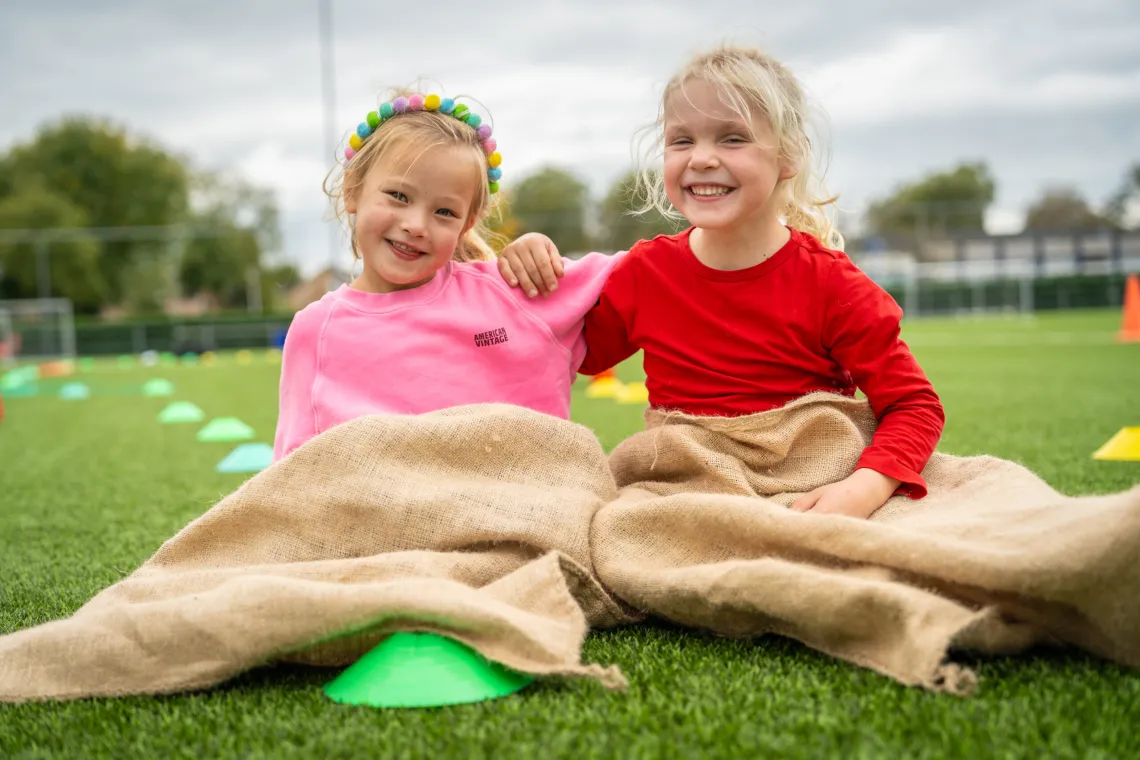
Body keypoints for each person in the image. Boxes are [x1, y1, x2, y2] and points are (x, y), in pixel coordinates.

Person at [495, 45, 945, 519]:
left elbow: (914, 404)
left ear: (788, 156)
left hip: (807, 485)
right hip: (683, 486)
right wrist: (533, 263)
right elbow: (565, 352)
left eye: (732, 139)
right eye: (682, 141)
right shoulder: (646, 274)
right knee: (607, 534)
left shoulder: (834, 285)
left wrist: (862, 489)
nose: (702, 159)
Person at [273, 88, 622, 461]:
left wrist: (544, 257)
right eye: (399, 196)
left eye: (444, 213)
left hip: (523, 511)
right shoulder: (316, 330)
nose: (416, 225)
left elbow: (649, 274)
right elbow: (293, 473)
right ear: (353, 189)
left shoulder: (519, 289)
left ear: (466, 223)